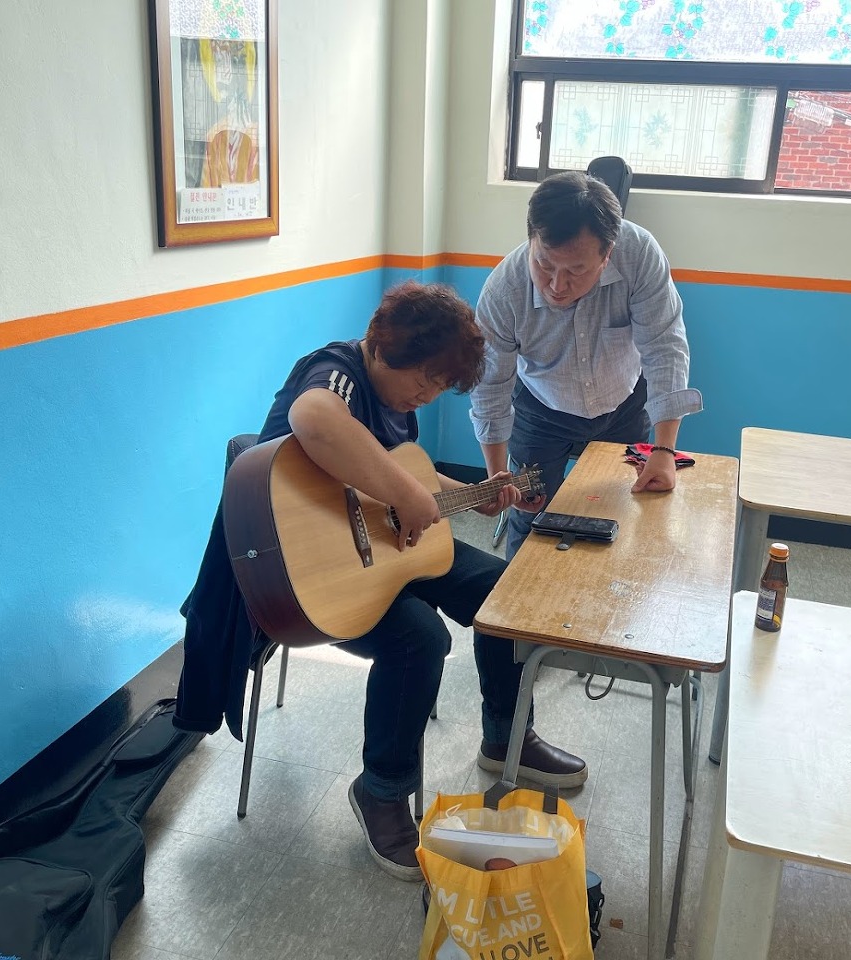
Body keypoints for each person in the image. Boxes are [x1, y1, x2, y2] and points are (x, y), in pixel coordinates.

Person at [175, 281, 586, 883]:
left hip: (387, 558)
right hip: (304, 576)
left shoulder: (400, 406)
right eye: (423, 378)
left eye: (440, 387)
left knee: (505, 593)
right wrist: (406, 494)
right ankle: (382, 791)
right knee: (420, 639)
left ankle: (506, 737)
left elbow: (404, 478)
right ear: (383, 344)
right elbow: (314, 419)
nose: (426, 394)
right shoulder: (336, 371)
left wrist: (476, 495)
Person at [469, 171, 703, 558]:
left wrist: (664, 450)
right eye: (544, 265)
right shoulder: (504, 291)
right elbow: (490, 386)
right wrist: (498, 476)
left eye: (576, 271)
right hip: (540, 410)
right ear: (531, 239)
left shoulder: (639, 254)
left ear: (607, 255)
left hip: (623, 405)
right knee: (530, 519)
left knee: (618, 514)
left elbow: (664, 346)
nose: (557, 285)